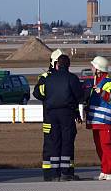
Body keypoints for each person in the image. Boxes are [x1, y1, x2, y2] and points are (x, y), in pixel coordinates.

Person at [33, 54, 87, 181]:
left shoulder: (47, 78)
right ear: (68, 65)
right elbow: (79, 96)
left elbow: (39, 93)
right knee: (67, 142)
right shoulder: (71, 78)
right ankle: (66, 172)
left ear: (57, 65)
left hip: (51, 115)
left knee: (54, 143)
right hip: (66, 114)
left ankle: (53, 174)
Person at [86, 56, 111, 180]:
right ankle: (105, 170)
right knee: (99, 146)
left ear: (99, 69)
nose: (92, 68)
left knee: (106, 145)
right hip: (96, 121)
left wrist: (101, 92)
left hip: (104, 121)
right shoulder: (95, 82)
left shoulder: (108, 83)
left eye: (93, 66)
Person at [33, 49, 64, 181]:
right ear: (53, 63)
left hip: (61, 118)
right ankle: (48, 173)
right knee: (50, 147)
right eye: (59, 63)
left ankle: (63, 172)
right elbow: (37, 93)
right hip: (49, 118)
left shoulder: (65, 77)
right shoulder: (45, 78)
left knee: (65, 145)